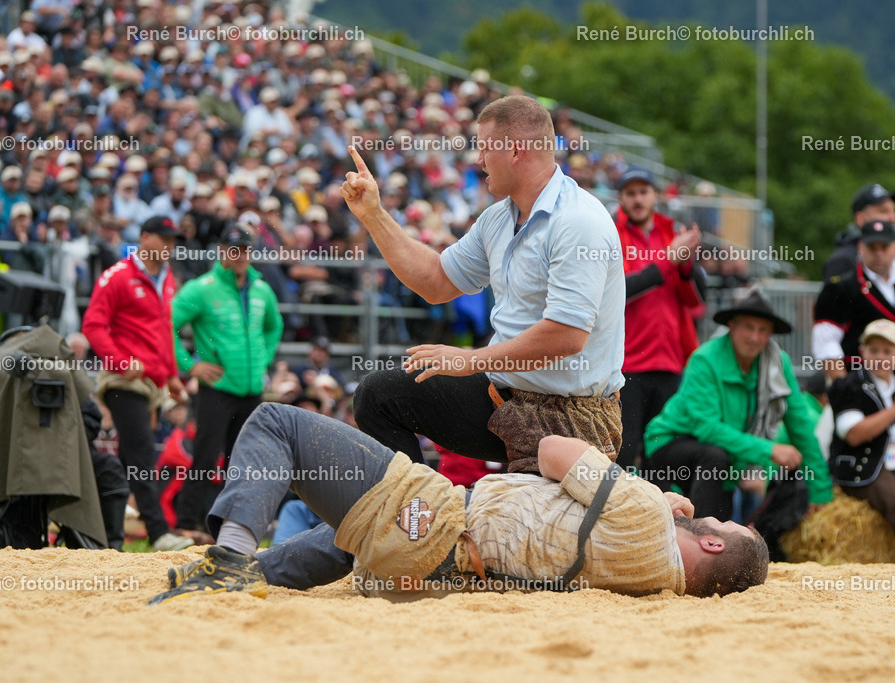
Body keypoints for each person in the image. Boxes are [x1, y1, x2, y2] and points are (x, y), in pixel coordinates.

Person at [148, 403, 769, 604]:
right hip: (429, 574)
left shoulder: (641, 513)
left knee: (274, 423)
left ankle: (230, 557)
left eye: (726, 523)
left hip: (434, 518)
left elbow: (553, 449)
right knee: (346, 541)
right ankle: (233, 581)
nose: (719, 514)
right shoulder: (652, 586)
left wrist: (651, 495)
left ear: (712, 543)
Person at [345, 95, 625, 473]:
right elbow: (436, 282)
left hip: (570, 419)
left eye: (484, 147)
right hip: (503, 395)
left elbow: (567, 335)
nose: (477, 160)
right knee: (377, 395)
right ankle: (415, 516)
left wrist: (467, 360)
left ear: (515, 151)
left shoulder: (578, 221)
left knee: (516, 523)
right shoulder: (498, 217)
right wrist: (375, 216)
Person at [645, 290, 834, 521]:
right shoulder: (704, 359)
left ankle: (712, 539)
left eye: (762, 330)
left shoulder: (779, 364)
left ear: (770, 335)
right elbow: (708, 429)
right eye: (748, 327)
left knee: (727, 514)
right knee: (715, 460)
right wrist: (769, 450)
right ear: (732, 327)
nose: (754, 337)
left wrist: (820, 491)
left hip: (727, 458)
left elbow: (801, 427)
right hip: (668, 444)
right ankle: (701, 538)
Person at [82, 215, 194, 552]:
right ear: (144, 238)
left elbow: (163, 333)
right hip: (124, 380)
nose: (170, 246)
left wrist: (172, 375)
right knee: (142, 454)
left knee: (132, 455)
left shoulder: (167, 278)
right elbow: (93, 325)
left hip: (151, 383)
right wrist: (118, 362)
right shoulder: (117, 277)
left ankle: (110, 531)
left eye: (173, 241)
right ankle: (158, 532)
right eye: (164, 239)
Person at [171, 226, 283, 534]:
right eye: (235, 249)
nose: (241, 255)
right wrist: (190, 366)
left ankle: (233, 529)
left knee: (243, 463)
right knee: (204, 459)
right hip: (216, 390)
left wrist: (265, 359)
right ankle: (185, 525)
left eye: (246, 249)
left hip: (250, 390)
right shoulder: (202, 288)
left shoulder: (261, 289)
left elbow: (275, 327)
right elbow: (167, 325)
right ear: (222, 251)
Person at [614, 166, 705, 469]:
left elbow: (697, 302)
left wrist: (687, 264)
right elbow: (619, 290)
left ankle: (667, 518)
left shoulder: (672, 232)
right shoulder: (612, 234)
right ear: (621, 198)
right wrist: (668, 260)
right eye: (631, 193)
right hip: (627, 366)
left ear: (655, 195)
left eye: (643, 192)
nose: (638, 199)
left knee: (664, 457)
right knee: (624, 455)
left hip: (671, 363)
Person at [828, 319, 895, 531]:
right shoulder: (848, 385)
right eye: (874, 350)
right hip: (864, 469)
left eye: (887, 351)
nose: (881, 357)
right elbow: (854, 434)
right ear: (862, 352)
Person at [814, 220, 895, 380]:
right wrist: (844, 388)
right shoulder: (840, 288)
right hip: (858, 381)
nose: (878, 253)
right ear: (860, 247)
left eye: (884, 247)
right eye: (872, 247)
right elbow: (826, 343)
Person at [821, 184, 895, 281]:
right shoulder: (843, 261)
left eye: (894, 211)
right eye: (883, 211)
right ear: (860, 219)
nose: (892, 218)